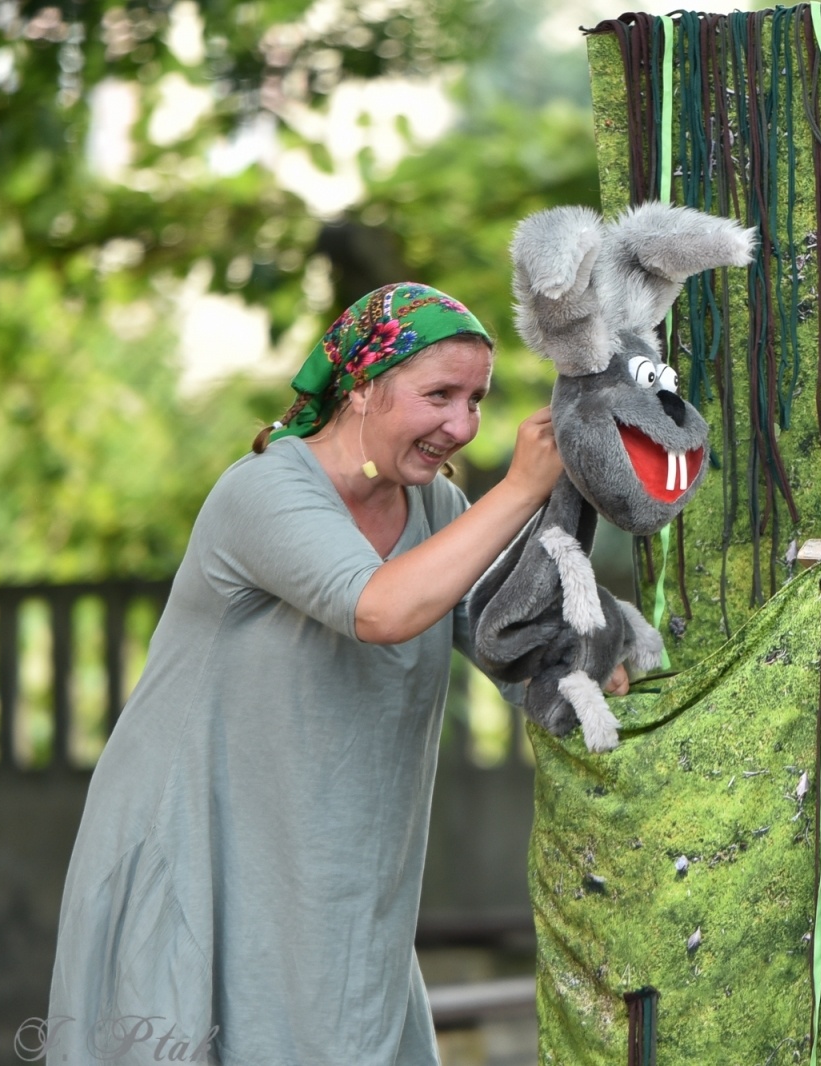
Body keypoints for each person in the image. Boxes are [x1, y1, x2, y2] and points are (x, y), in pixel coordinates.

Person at [47, 283, 572, 1065]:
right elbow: (378, 607)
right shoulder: (263, 491)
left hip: (335, 884)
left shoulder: (435, 510)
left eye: (476, 401)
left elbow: (519, 643)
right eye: (439, 396)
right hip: (201, 860)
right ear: (361, 385)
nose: (462, 426)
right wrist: (523, 489)